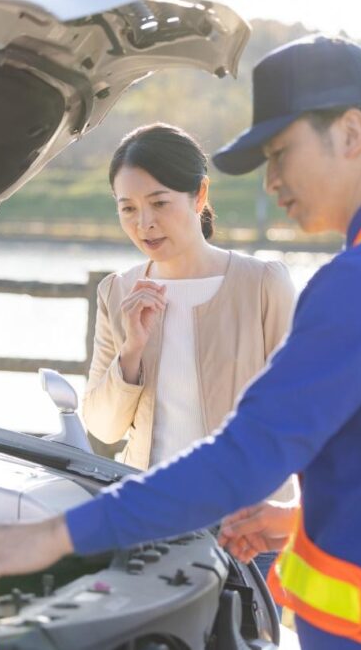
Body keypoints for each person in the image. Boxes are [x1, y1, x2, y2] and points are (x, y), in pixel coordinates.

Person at [0, 35, 361, 649]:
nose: (272, 182)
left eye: (281, 153)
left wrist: (54, 535)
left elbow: (246, 457)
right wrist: (297, 523)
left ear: (350, 133)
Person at [83, 124, 296, 506]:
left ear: (199, 194)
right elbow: (103, 427)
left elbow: (301, 408)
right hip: (149, 513)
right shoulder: (117, 292)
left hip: (250, 520)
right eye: (128, 208)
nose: (144, 223)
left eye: (159, 203)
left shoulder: (263, 283)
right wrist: (132, 350)